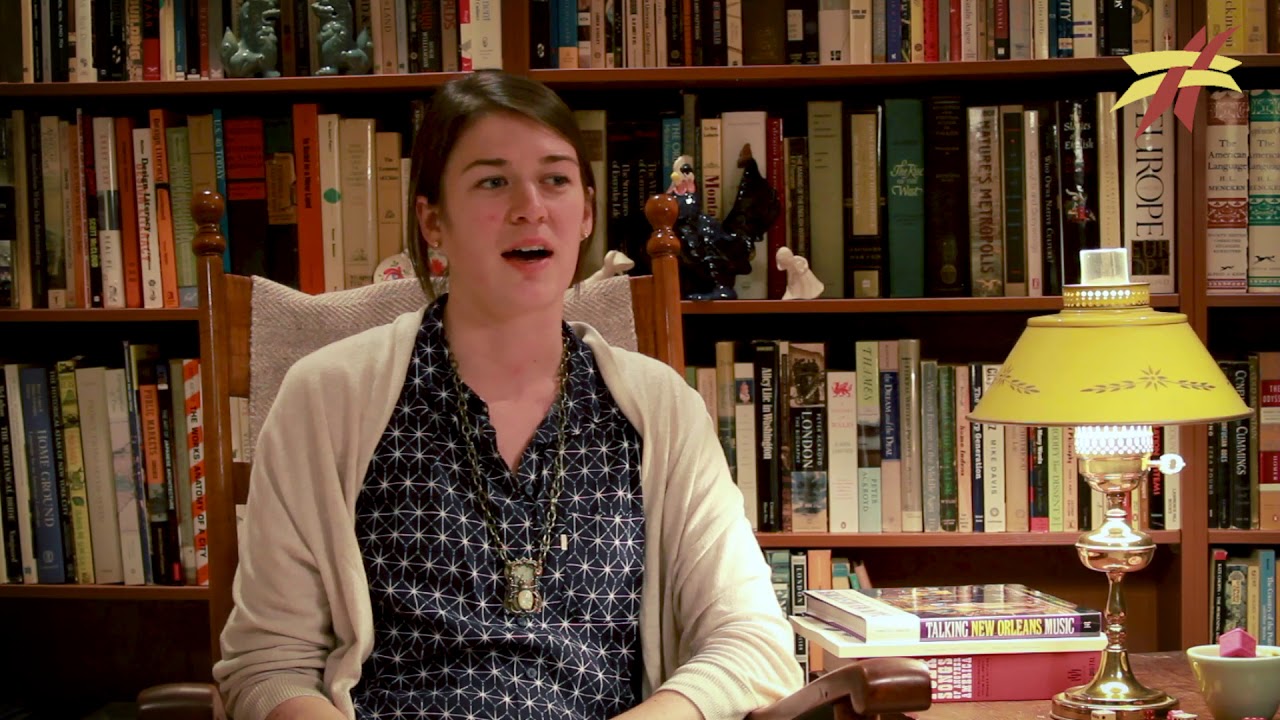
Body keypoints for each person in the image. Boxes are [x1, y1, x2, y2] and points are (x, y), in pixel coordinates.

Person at [211, 70, 803, 720]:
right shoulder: (326, 397)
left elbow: (753, 642)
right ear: (432, 220)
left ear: (585, 213)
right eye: (493, 182)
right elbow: (268, 665)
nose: (531, 207)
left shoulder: (662, 409)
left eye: (555, 179)